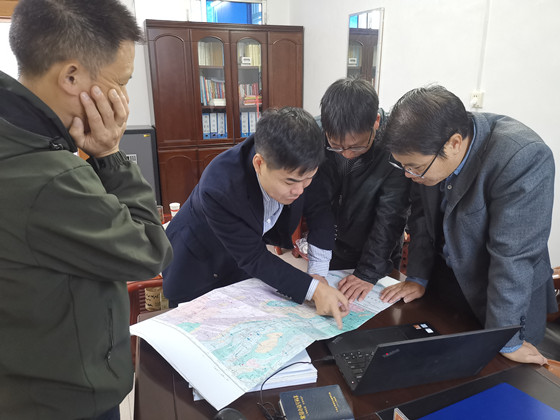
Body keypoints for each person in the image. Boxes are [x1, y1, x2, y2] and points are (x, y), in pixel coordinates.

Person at [0, 1, 173, 419]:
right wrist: (110, 153)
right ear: (71, 76)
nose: (124, 99)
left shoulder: (19, 137)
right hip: (65, 397)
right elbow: (150, 250)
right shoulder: (51, 178)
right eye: (122, 82)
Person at [378, 85, 556, 365]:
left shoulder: (521, 157)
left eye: (415, 167)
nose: (409, 175)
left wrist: (505, 338)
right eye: (404, 167)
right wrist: (418, 277)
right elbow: (421, 216)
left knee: (501, 376)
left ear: (454, 143)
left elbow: (513, 257)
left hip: (504, 295)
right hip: (446, 285)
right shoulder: (425, 152)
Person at [163, 107, 349, 328]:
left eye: (308, 179)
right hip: (196, 261)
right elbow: (253, 258)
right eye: (290, 182)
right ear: (259, 164)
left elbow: (320, 210)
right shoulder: (220, 187)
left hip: (240, 258)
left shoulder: (303, 162)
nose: (300, 190)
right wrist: (313, 290)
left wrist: (317, 274)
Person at [307, 77, 410, 302]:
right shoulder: (313, 134)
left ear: (376, 122)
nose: (346, 154)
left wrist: (368, 272)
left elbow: (391, 216)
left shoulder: (394, 145)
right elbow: (317, 202)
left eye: (356, 147)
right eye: (336, 146)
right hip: (332, 243)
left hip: (378, 252)